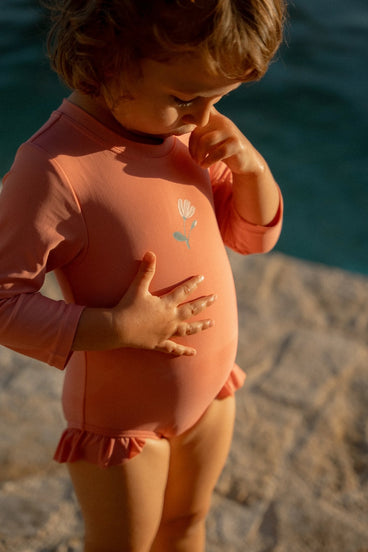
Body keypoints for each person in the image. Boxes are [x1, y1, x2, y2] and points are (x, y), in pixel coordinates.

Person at [0, 0, 285, 550]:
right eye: (186, 98)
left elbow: (253, 236)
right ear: (110, 63)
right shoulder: (56, 168)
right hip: (121, 426)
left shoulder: (188, 130)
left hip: (211, 392)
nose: (205, 118)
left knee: (186, 526)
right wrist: (118, 328)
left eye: (219, 99)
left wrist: (252, 168)